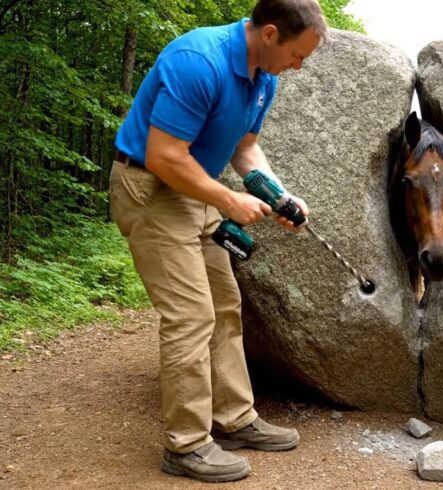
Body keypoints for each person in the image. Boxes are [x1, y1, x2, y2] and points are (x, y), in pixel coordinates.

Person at [109, 0, 326, 483]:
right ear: (269, 34)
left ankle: (234, 418)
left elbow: (244, 148)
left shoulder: (263, 78)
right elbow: (163, 155)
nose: (298, 67)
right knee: (191, 316)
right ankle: (185, 446)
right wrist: (229, 201)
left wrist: (280, 193)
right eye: (298, 55)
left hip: (195, 189)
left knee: (226, 305)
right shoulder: (198, 62)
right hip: (151, 186)